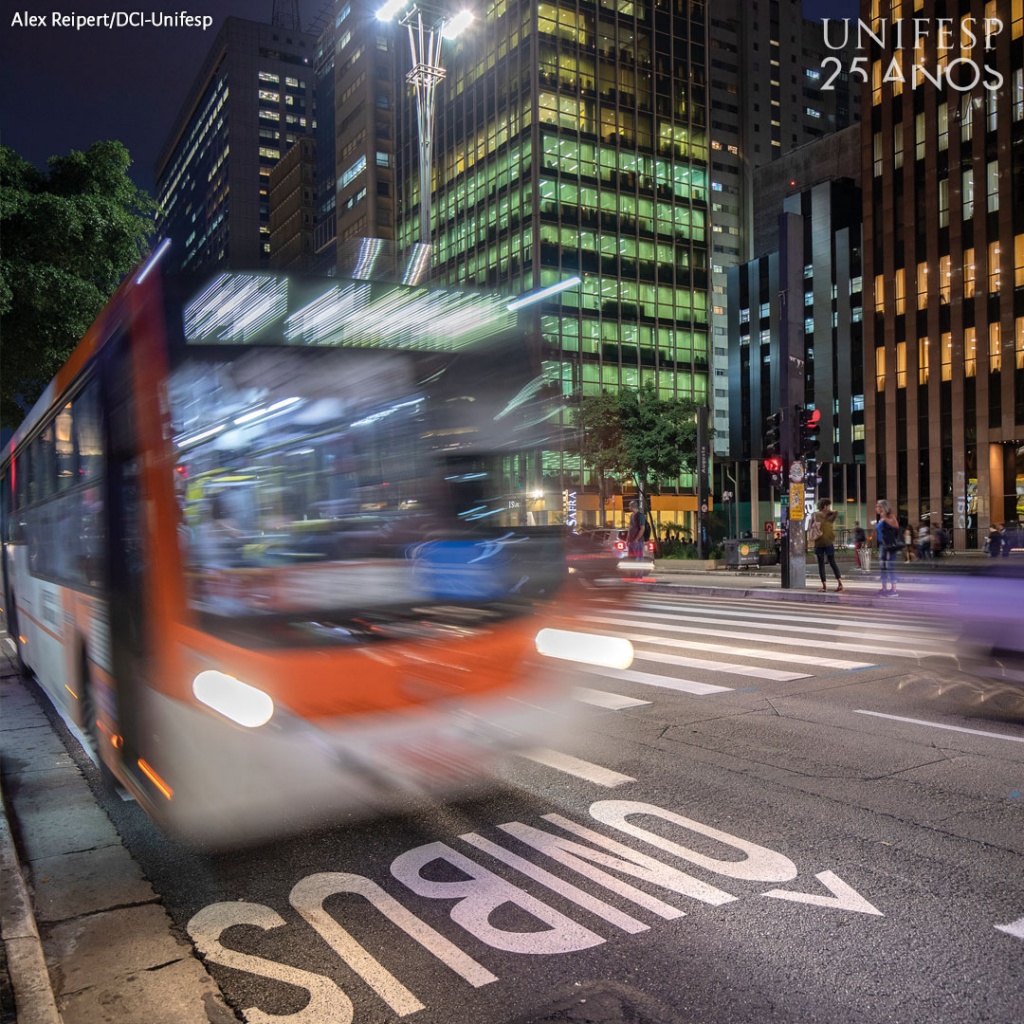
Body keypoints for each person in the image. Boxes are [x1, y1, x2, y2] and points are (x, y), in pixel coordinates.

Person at [810, 498, 843, 592]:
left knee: (821, 565)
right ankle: (840, 584)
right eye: (828, 506)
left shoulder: (815, 515)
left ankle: (824, 586)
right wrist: (830, 512)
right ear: (825, 506)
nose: (829, 507)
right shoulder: (829, 516)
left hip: (818, 542)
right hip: (828, 542)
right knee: (832, 562)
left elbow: (810, 527)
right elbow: (836, 513)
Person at [875, 499, 901, 597]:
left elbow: (896, 526)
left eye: (877, 506)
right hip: (882, 545)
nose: (876, 508)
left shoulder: (890, 515)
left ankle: (894, 590)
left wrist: (885, 518)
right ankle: (884, 588)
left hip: (890, 545)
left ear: (882, 507)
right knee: (883, 567)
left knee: (890, 566)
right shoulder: (881, 517)